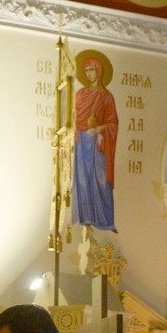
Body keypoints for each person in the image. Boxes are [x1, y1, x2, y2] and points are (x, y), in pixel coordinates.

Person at [70, 54, 118, 230]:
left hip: (99, 144)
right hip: (81, 141)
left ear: (99, 71)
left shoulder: (106, 97)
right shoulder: (80, 95)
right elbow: (73, 118)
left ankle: (106, 220)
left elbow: (113, 122)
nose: (89, 74)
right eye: (86, 71)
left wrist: (99, 129)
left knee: (101, 179)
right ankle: (86, 218)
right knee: (83, 177)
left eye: (92, 70)